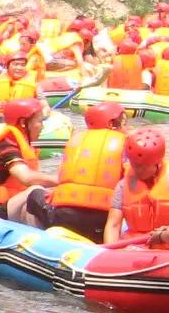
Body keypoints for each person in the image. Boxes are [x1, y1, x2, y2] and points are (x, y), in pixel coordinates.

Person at [44, 102, 126, 242]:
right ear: (111, 123)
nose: (125, 126)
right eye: (122, 121)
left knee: (36, 194)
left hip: (63, 215)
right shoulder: (125, 142)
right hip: (101, 219)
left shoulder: (75, 140)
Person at [105, 127, 169, 245]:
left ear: (157, 163)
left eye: (143, 166)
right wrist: (110, 251)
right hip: (136, 248)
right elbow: (113, 225)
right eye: (134, 164)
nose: (138, 170)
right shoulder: (123, 186)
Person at [0, 98, 57, 225]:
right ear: (24, 123)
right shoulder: (6, 145)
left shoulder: (20, 144)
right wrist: (61, 179)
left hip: (11, 207)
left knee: (43, 194)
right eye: (39, 121)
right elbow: (26, 178)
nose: (42, 126)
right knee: (34, 190)